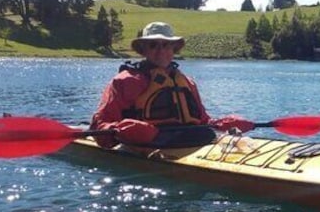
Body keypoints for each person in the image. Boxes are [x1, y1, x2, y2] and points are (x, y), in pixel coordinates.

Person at [90, 22, 254, 148]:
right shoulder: (124, 81)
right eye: (154, 45)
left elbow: (203, 120)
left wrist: (225, 123)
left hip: (191, 140)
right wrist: (122, 130)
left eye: (166, 44)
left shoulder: (187, 82)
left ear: (173, 48)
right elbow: (99, 126)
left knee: (206, 133)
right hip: (147, 144)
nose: (161, 50)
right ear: (144, 50)